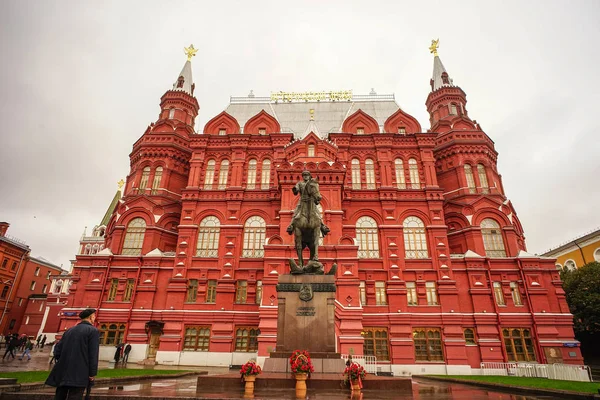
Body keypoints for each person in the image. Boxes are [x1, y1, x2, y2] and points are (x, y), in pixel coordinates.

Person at [45, 308, 99, 400]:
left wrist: (62, 361)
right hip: (80, 372)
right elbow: (93, 354)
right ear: (90, 317)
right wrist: (92, 373)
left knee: (60, 395)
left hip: (63, 371)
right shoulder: (93, 331)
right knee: (75, 395)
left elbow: (57, 350)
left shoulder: (69, 330)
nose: (94, 318)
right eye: (94, 316)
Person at [286, 170, 330, 236]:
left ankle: (323, 226)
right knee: (296, 212)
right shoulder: (300, 183)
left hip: (311, 201)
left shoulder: (312, 183)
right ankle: (291, 226)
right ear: (302, 177)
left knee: (317, 213)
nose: (306, 177)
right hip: (302, 201)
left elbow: (315, 192)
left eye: (307, 175)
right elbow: (296, 190)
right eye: (304, 175)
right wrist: (295, 189)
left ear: (309, 176)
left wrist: (316, 199)